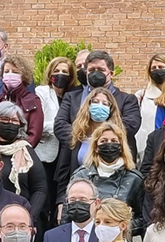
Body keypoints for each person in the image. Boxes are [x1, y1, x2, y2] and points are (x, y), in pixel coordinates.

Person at [56, 50, 143, 179]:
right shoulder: (72, 97)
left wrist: (99, 136)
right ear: (86, 72)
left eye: (101, 69)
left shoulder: (127, 99)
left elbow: (130, 125)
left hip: (117, 171)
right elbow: (60, 126)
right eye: (91, 69)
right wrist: (81, 135)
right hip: (75, 167)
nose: (95, 73)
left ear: (111, 73)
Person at [0, 101, 50, 227]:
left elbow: (40, 188)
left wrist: (29, 218)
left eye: (14, 120)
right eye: (5, 119)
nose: (10, 123)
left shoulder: (26, 151)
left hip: (20, 220)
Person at [69, 122, 145, 235]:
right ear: (96, 147)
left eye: (114, 141)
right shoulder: (80, 176)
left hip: (118, 240)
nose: (109, 145)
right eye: (103, 141)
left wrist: (117, 226)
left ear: (121, 147)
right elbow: (68, 213)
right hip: (84, 237)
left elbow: (142, 218)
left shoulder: (134, 179)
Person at [58, 87, 137, 188]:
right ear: (88, 105)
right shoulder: (76, 135)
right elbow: (64, 169)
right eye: (95, 102)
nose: (100, 106)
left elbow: (128, 167)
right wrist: (61, 199)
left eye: (105, 103)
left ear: (111, 108)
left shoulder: (118, 137)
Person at [39, 56, 77, 216]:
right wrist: (58, 125)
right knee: (45, 198)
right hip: (47, 155)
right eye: (56, 71)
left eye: (64, 72)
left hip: (66, 154)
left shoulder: (73, 96)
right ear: (49, 74)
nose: (60, 74)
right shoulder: (42, 92)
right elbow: (38, 124)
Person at [0, 55, 43, 148]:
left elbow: (35, 134)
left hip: (20, 151)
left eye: (15, 72)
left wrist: (19, 149)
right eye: (6, 71)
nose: (10, 74)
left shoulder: (33, 100)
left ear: (23, 76)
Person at [137, 54, 165, 148]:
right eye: (154, 68)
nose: (157, 70)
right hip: (148, 147)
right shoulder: (141, 96)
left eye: (161, 67)